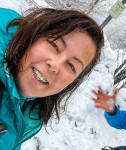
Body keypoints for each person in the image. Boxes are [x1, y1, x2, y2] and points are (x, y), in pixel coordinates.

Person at [0, 7, 104, 149]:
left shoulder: (24, 110)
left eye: (71, 66)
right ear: (34, 34)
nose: (55, 65)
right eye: (54, 45)